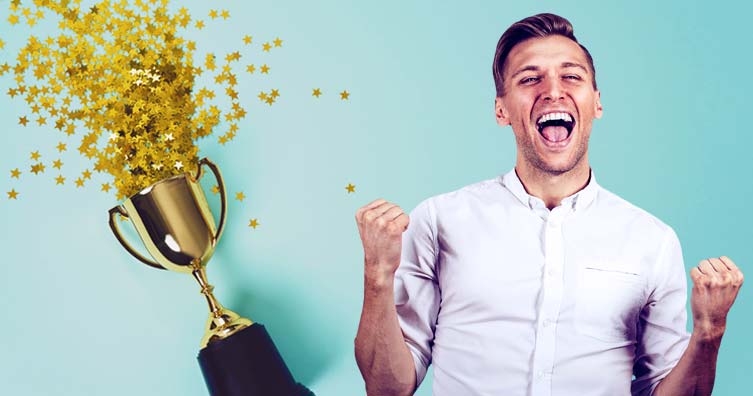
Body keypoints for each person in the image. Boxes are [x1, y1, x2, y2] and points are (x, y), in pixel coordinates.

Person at [353, 13, 744, 396]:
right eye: (529, 78)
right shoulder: (439, 221)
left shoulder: (653, 241)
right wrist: (377, 275)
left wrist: (709, 332)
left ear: (597, 103)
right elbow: (387, 388)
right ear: (501, 109)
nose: (553, 90)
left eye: (571, 76)